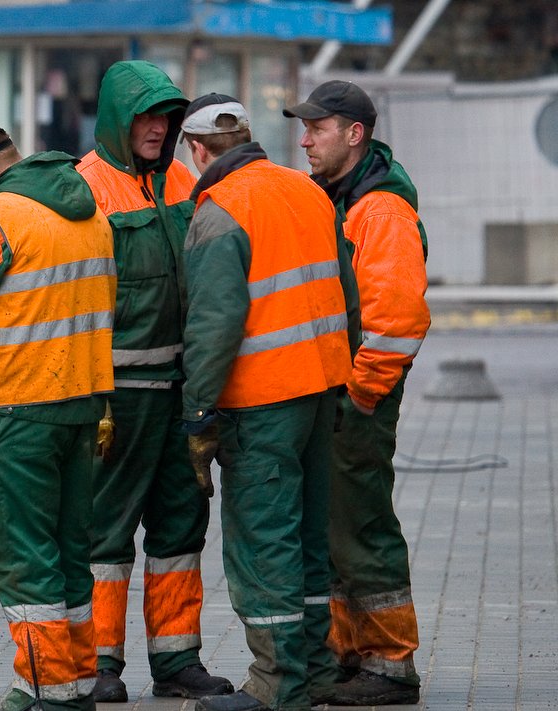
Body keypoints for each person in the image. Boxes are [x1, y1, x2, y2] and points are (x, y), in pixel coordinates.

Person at [0, 123, 116, 711]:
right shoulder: (88, 210)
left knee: (19, 556)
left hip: (17, 411)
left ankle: (47, 689)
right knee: (66, 552)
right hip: (81, 404)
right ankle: (79, 679)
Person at [178, 94, 361, 711]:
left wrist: (198, 410)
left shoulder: (219, 208)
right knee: (309, 535)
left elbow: (214, 323)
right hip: (320, 390)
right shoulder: (305, 190)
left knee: (264, 539)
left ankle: (277, 684)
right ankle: (309, 669)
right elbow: (347, 293)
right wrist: (342, 372)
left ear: (198, 150)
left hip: (260, 402)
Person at [73, 60, 232, 703]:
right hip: (119, 391)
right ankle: (100, 664)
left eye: (166, 116)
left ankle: (175, 661)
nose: (158, 127)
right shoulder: (84, 187)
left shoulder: (182, 178)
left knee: (180, 525)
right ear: (116, 118)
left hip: (182, 387)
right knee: (105, 532)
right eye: (145, 115)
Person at [283, 80, 430, 706]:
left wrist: (362, 395)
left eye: (317, 129)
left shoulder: (380, 209)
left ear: (354, 133)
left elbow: (397, 322)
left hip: (358, 397)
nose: (305, 139)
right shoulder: (340, 198)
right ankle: (352, 653)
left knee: (362, 525)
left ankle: (391, 664)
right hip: (340, 394)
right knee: (340, 526)